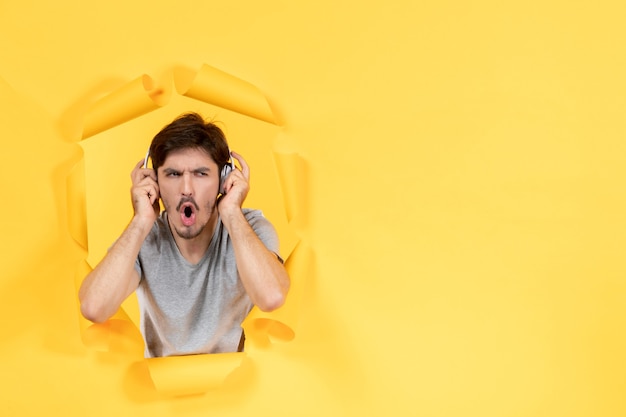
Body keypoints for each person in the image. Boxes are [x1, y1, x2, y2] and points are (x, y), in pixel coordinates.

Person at [78, 112, 290, 357]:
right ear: (154, 181)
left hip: (235, 389)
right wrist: (140, 220)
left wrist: (232, 212)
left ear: (223, 180)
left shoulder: (250, 227)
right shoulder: (144, 236)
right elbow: (94, 307)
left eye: (201, 174)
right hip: (162, 389)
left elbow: (272, 296)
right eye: (173, 174)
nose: (186, 189)